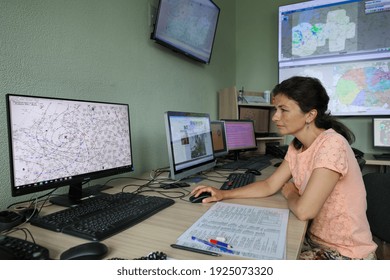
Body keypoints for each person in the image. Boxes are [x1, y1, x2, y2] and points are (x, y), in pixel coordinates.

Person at [192, 76, 377, 260]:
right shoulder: (297, 146)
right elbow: (269, 185)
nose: (275, 117)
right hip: (315, 241)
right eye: (276, 109)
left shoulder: (332, 144)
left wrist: (290, 193)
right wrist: (223, 194)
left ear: (310, 115)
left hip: (346, 253)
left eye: (283, 110)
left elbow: (305, 211)